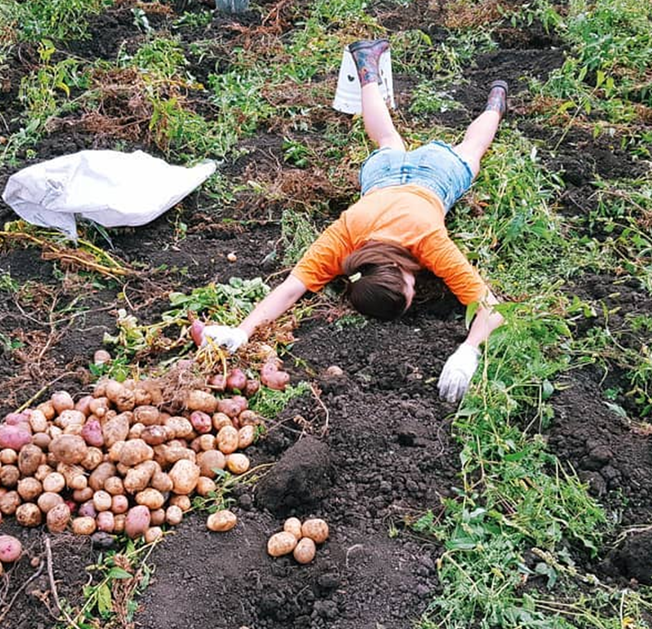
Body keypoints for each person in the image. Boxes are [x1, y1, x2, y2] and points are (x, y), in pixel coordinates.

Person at [201, 38, 508, 405]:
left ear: (399, 269)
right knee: (386, 138)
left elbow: (492, 308)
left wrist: (470, 350)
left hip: (434, 178)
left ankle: (496, 100)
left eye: (411, 285)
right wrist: (242, 330)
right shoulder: (345, 238)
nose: (418, 281)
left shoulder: (428, 240)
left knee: (471, 150)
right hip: (383, 175)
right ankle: (366, 68)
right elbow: (290, 288)